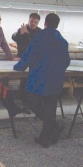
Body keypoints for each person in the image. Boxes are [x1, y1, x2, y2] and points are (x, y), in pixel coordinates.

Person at [13, 13, 70, 148]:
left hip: (38, 79)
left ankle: (54, 126)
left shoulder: (39, 37)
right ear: (57, 25)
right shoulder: (62, 41)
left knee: (29, 100)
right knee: (51, 107)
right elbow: (66, 61)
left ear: (45, 23)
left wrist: (18, 67)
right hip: (55, 80)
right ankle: (46, 136)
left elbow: (29, 55)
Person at [12, 13, 42, 103]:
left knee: (31, 80)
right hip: (22, 57)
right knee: (23, 80)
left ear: (38, 23)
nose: (33, 23)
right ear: (29, 20)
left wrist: (27, 34)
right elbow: (14, 37)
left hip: (34, 60)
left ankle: (30, 101)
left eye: (35, 22)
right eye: (31, 21)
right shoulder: (22, 29)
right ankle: (21, 100)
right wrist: (20, 32)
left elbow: (34, 44)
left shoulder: (40, 32)